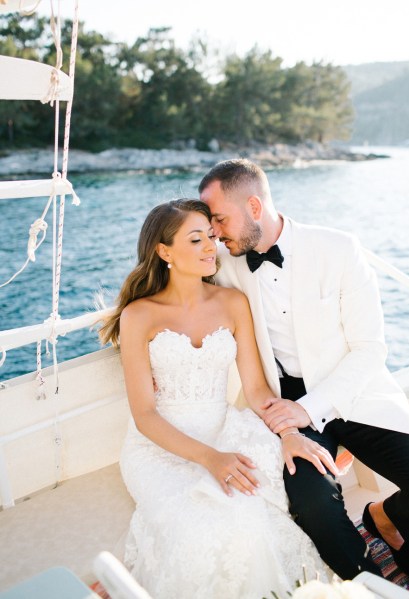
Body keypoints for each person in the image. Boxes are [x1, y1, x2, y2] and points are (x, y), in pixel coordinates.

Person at [199, 159, 409, 584]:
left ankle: (384, 517)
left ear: (253, 206)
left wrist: (315, 408)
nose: (214, 232)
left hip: (354, 394)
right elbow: (175, 278)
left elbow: (370, 348)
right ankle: (371, 584)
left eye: (218, 218)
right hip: (282, 406)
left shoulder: (339, 248)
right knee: (315, 507)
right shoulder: (224, 266)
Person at [99, 199, 331, 599]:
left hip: (225, 428)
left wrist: (289, 433)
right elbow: (145, 415)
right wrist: (210, 458)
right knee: (198, 530)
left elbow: (257, 392)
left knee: (252, 517)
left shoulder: (231, 303)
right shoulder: (139, 316)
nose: (211, 246)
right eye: (196, 239)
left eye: (211, 235)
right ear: (164, 251)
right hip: (160, 445)